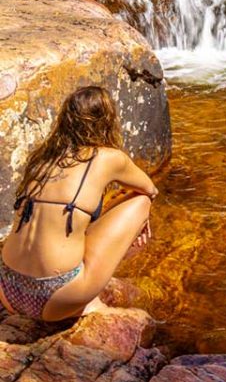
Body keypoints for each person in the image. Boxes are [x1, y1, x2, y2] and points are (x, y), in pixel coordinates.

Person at [0, 85, 158, 322]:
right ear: (106, 121)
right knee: (141, 202)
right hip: (55, 297)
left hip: (7, 289)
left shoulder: (43, 159)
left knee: (72, 220)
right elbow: (149, 189)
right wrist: (139, 225)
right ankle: (84, 299)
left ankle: (80, 288)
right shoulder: (108, 158)